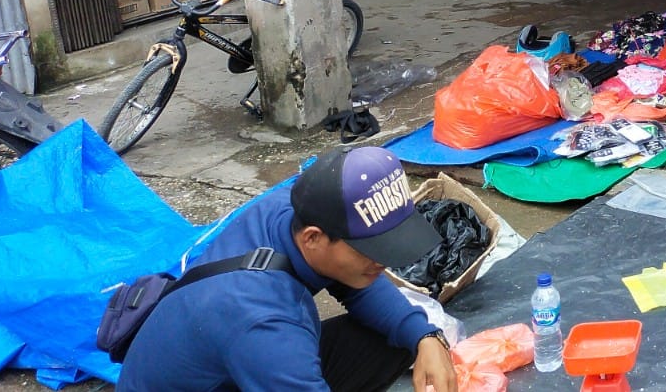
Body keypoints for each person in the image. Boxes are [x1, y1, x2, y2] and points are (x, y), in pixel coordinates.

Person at [118, 147, 458, 392]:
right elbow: (273, 336)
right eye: (371, 249)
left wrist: (425, 335)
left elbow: (359, 280)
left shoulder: (289, 209)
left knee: (392, 340)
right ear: (313, 239)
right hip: (238, 349)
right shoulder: (267, 324)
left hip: (227, 355)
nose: (382, 262)